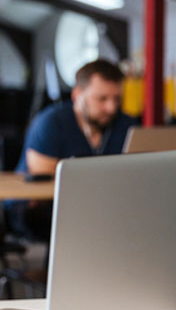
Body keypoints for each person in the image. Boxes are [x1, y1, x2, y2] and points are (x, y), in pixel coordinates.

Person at [10, 59, 134, 240]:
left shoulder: (126, 125)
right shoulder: (51, 122)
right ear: (77, 95)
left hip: (101, 204)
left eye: (116, 99)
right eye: (102, 99)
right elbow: (45, 184)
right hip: (36, 207)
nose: (111, 107)